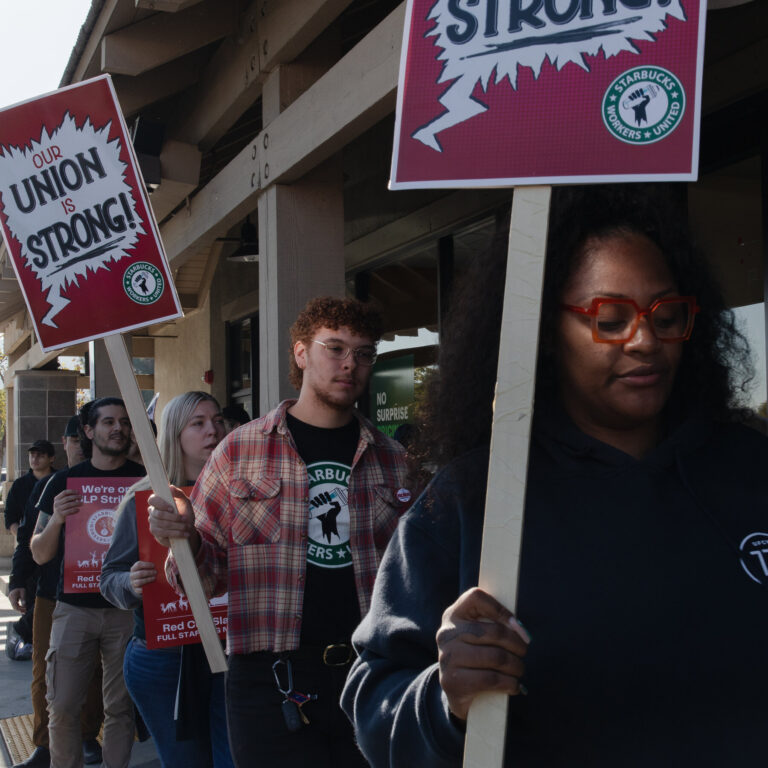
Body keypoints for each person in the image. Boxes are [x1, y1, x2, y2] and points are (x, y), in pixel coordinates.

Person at [341, 186, 768, 766]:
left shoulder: (749, 469)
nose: (644, 341)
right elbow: (376, 702)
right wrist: (445, 699)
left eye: (665, 315)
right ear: (542, 333)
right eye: (609, 319)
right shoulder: (474, 501)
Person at [148, 297, 409, 768]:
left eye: (364, 353)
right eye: (335, 348)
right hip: (269, 680)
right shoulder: (239, 452)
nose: (350, 363)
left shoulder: (394, 460)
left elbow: (412, 581)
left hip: (372, 673)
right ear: (301, 353)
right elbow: (204, 581)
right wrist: (185, 538)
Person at [100, 391, 234, 768]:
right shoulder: (142, 501)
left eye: (218, 419)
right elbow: (108, 578)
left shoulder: (241, 495)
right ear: (175, 434)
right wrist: (130, 583)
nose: (213, 430)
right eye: (199, 423)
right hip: (164, 660)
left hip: (235, 653)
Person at [31, 397, 145, 768]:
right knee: (61, 706)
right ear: (88, 431)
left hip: (126, 610)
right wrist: (58, 520)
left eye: (124, 422)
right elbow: (39, 552)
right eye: (109, 422)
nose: (118, 428)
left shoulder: (143, 480)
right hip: (74, 609)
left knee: (120, 708)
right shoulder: (62, 482)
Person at [10, 415, 105, 768]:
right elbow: (27, 539)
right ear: (63, 445)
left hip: (103, 595)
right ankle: (44, 744)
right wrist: (18, 581)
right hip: (50, 593)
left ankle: (86, 736)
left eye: (84, 438)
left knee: (95, 672)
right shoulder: (51, 484)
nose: (79, 444)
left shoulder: (120, 480)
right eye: (73, 439)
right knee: (43, 672)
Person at [6, 440, 56, 660]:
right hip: (29, 551)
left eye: (41, 455)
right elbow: (12, 519)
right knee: (33, 600)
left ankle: (26, 633)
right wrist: (26, 541)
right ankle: (24, 634)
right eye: (32, 455)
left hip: (52, 554)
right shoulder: (20, 485)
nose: (35, 459)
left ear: (51, 458)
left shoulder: (59, 480)